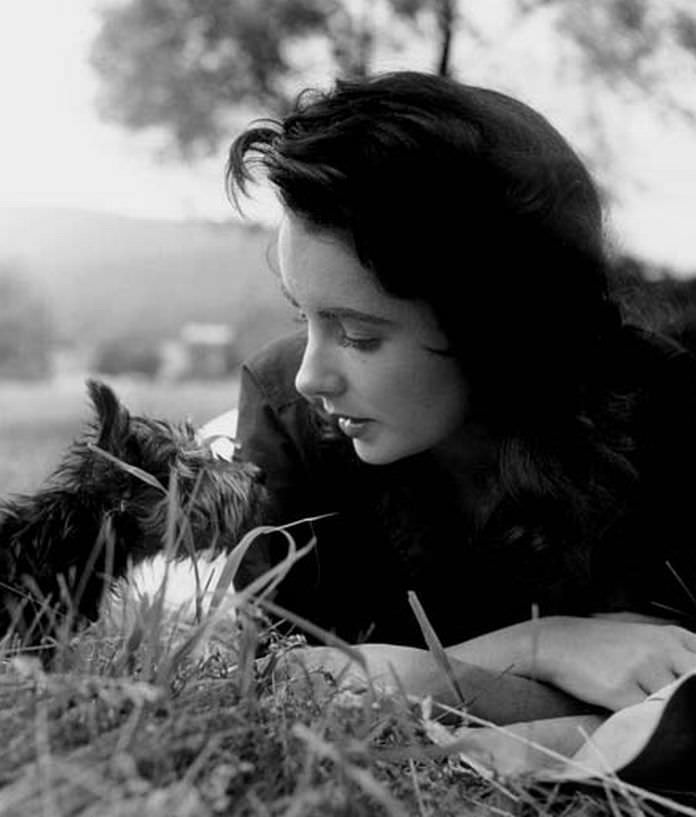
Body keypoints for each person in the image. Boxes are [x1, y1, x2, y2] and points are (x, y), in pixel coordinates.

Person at [224, 71, 696, 716]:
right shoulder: (287, 412)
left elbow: (664, 674)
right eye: (302, 316)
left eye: (358, 335)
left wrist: (415, 674)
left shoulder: (661, 409)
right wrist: (541, 645)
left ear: (495, 327)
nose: (312, 375)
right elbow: (270, 675)